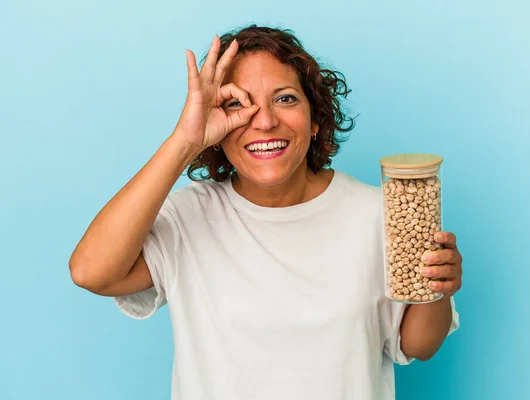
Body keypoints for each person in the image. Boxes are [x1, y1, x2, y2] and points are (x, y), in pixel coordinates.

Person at [69, 24, 462, 400]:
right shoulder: (188, 216)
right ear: (216, 129)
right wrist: (185, 140)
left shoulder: (377, 213)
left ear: (314, 120)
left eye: (285, 98)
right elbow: (91, 272)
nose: (265, 120)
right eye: (237, 104)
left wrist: (439, 290)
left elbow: (417, 345)